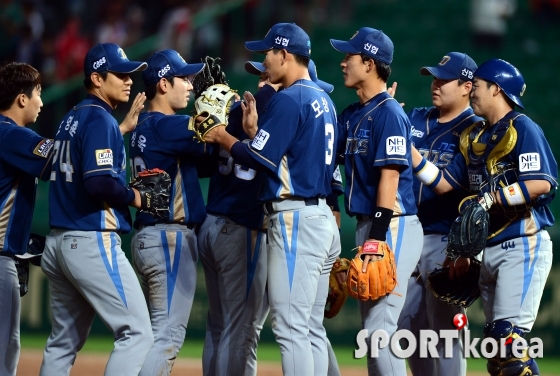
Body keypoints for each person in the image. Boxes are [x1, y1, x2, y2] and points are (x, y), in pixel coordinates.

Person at [199, 22, 341, 376]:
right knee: (309, 329)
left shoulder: (290, 99)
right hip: (320, 216)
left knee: (290, 329)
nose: (264, 60)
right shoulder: (324, 100)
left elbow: (257, 158)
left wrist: (222, 137)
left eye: (268, 53)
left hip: (296, 218)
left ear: (286, 54)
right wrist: (251, 133)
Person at [412, 58, 557, 376]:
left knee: (508, 343)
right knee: (497, 351)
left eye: (477, 87)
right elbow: (443, 183)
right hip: (488, 249)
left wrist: (493, 197)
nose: (472, 92)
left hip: (522, 243)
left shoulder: (522, 127)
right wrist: (411, 155)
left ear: (497, 89)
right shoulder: (474, 136)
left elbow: (541, 182)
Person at [40, 43, 154, 376]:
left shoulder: (71, 117)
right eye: (120, 74)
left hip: (58, 242)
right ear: (96, 78)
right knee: (137, 333)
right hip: (90, 239)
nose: (129, 80)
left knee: (62, 344)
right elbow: (99, 184)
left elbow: (83, 159)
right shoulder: (101, 119)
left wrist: (120, 132)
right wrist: (138, 198)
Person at [329, 27, 424, 376]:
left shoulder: (388, 114)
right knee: (373, 337)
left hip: (392, 226)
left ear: (369, 63)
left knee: (379, 334)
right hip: (370, 227)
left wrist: (377, 238)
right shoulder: (355, 113)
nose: (342, 63)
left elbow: (391, 177)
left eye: (349, 57)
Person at [396, 52, 481, 376]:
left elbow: (448, 186)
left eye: (444, 79)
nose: (435, 84)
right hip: (410, 232)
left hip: (446, 239)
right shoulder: (417, 117)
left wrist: (410, 151)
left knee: (445, 333)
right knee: (406, 328)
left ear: (466, 86)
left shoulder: (473, 131)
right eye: (434, 77)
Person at [128, 49, 210, 376]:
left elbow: (200, 160)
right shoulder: (169, 126)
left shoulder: (145, 126)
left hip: (149, 238)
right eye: (184, 78)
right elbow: (216, 134)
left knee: (154, 335)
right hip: (168, 241)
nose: (191, 85)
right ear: (163, 84)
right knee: (168, 337)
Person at [0, 62, 52, 376]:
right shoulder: (11, 135)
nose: (42, 102)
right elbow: (61, 159)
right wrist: (117, 130)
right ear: (22, 99)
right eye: (38, 94)